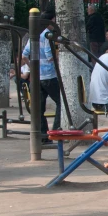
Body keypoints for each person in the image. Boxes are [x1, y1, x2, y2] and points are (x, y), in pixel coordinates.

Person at [22, 11, 62, 140]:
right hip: (49, 75)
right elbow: (50, 57)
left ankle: (42, 135)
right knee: (61, 102)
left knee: (38, 107)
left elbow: (24, 55)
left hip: (37, 76)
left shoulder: (35, 35)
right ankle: (56, 131)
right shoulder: (46, 35)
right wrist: (60, 55)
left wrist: (33, 67)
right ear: (49, 21)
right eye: (54, 20)